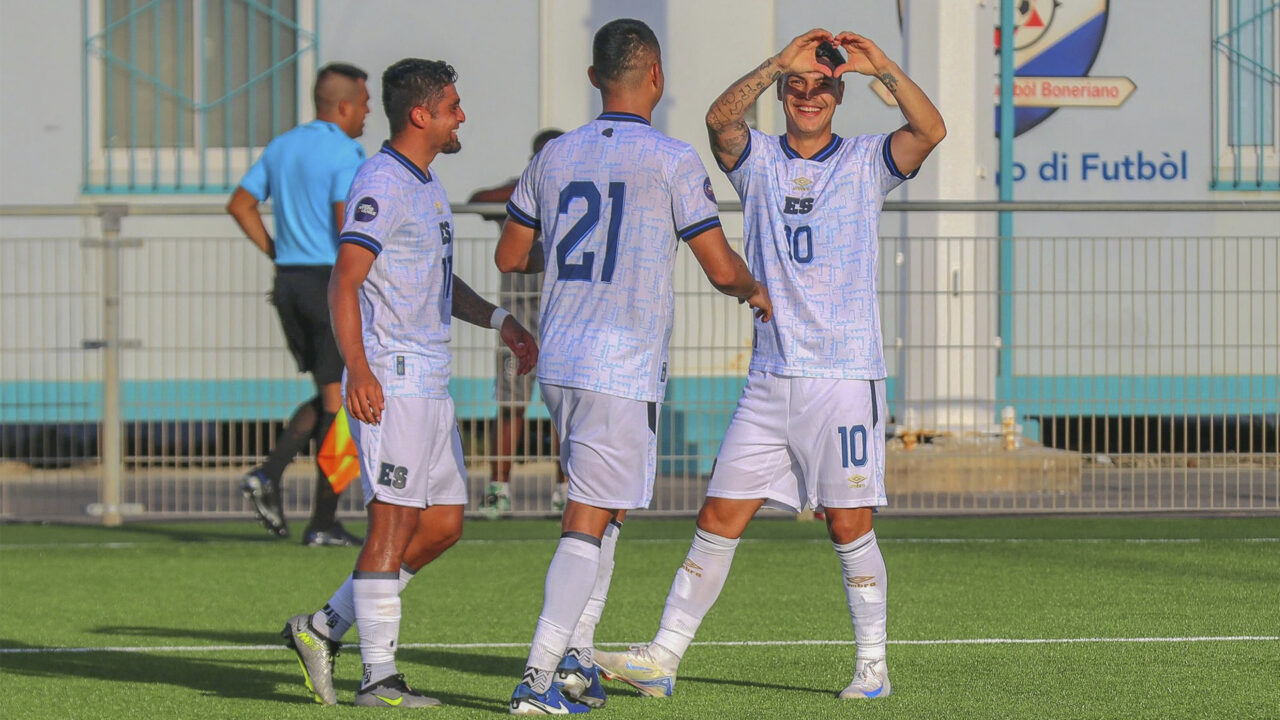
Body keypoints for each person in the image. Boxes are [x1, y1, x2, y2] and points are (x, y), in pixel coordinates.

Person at [594, 29, 945, 700]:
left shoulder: (869, 159)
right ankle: (663, 657)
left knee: (848, 525)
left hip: (843, 378)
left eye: (821, 87)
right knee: (719, 515)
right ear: (784, 95)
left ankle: (873, 667)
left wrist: (882, 67)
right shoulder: (756, 159)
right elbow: (719, 120)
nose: (809, 96)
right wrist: (777, 62)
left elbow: (931, 129)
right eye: (798, 87)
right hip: (770, 377)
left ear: (839, 96)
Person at [495, 19, 772, 715]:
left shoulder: (554, 156)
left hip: (560, 353)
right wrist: (753, 287)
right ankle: (536, 677)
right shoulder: (672, 158)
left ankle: (579, 659)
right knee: (588, 515)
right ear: (657, 77)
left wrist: (563, 255)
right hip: (618, 362)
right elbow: (717, 265)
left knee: (607, 510)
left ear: (595, 79)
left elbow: (509, 255)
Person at [279, 58, 538, 708]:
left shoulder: (425, 183)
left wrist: (501, 319)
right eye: (453, 104)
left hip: (431, 385)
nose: (462, 115)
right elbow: (345, 278)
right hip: (392, 384)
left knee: (444, 526)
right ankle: (379, 678)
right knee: (389, 530)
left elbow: (437, 282)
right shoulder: (382, 182)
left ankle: (322, 629)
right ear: (421, 114)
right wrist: (359, 369)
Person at [226, 62, 371, 546]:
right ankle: (322, 520)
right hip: (329, 283)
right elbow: (346, 222)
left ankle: (268, 476)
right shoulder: (345, 152)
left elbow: (240, 205)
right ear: (345, 106)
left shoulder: (283, 144)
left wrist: (275, 250)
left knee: (332, 394)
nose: (369, 114)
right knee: (344, 402)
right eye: (366, 104)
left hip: (289, 282)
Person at [468, 129, 567, 518]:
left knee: (564, 405)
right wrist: (527, 190)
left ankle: (564, 490)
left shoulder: (576, 190)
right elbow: (476, 200)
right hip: (519, 316)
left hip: (562, 314)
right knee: (510, 404)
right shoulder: (522, 192)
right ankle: (498, 489)